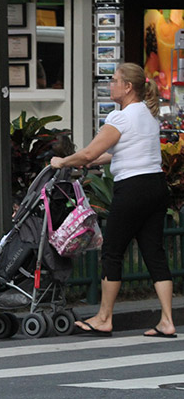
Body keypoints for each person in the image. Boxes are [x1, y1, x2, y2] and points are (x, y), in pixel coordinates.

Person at [50, 63, 176, 338]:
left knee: (112, 251)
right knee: (154, 253)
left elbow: (87, 153)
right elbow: (123, 151)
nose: (111, 85)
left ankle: (104, 318)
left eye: (115, 80)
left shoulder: (120, 118)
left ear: (128, 87)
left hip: (131, 189)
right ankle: (167, 320)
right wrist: (94, 160)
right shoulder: (148, 115)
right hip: (155, 187)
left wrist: (63, 161)